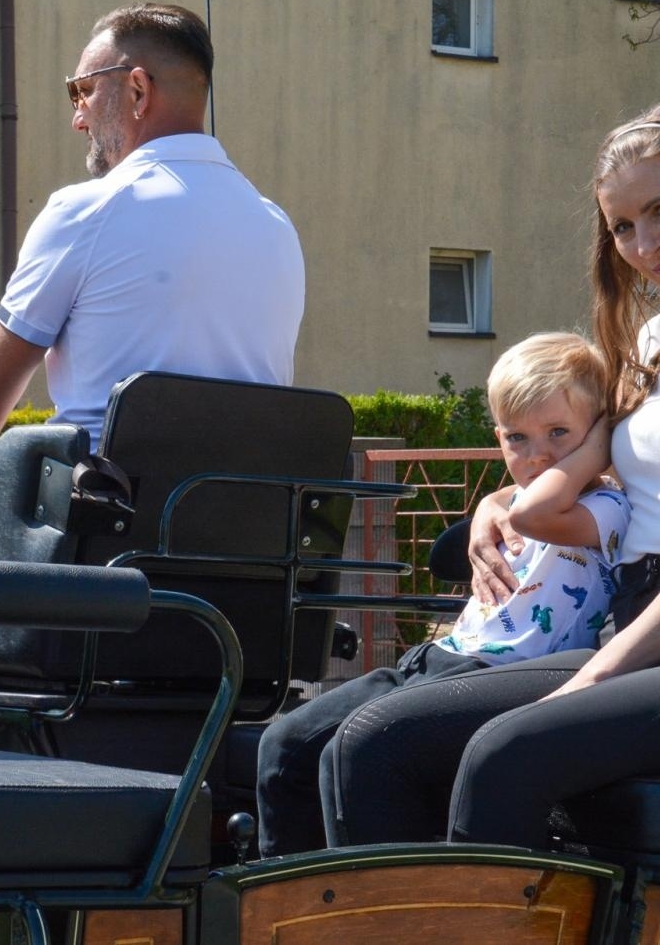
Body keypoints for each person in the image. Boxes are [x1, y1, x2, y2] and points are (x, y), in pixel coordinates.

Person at [320, 105, 660, 935]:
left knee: (508, 752)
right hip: (642, 636)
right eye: (623, 226)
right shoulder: (654, 339)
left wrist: (597, 675)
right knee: (373, 742)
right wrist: (499, 501)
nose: (645, 246)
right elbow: (583, 464)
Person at [256, 332, 630, 857]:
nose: (537, 455)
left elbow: (537, 510)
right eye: (515, 438)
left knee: (357, 750)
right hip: (440, 658)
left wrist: (598, 449)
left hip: (502, 675)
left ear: (600, 435)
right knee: (285, 744)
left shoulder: (607, 508)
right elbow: (522, 497)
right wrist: (499, 498)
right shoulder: (516, 497)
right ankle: (291, 904)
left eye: (559, 433)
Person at [0, 3, 304, 461]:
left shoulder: (87, 212)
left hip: (97, 521)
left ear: (138, 90)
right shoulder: (277, 227)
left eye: (83, 91)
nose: (78, 118)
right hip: (243, 523)